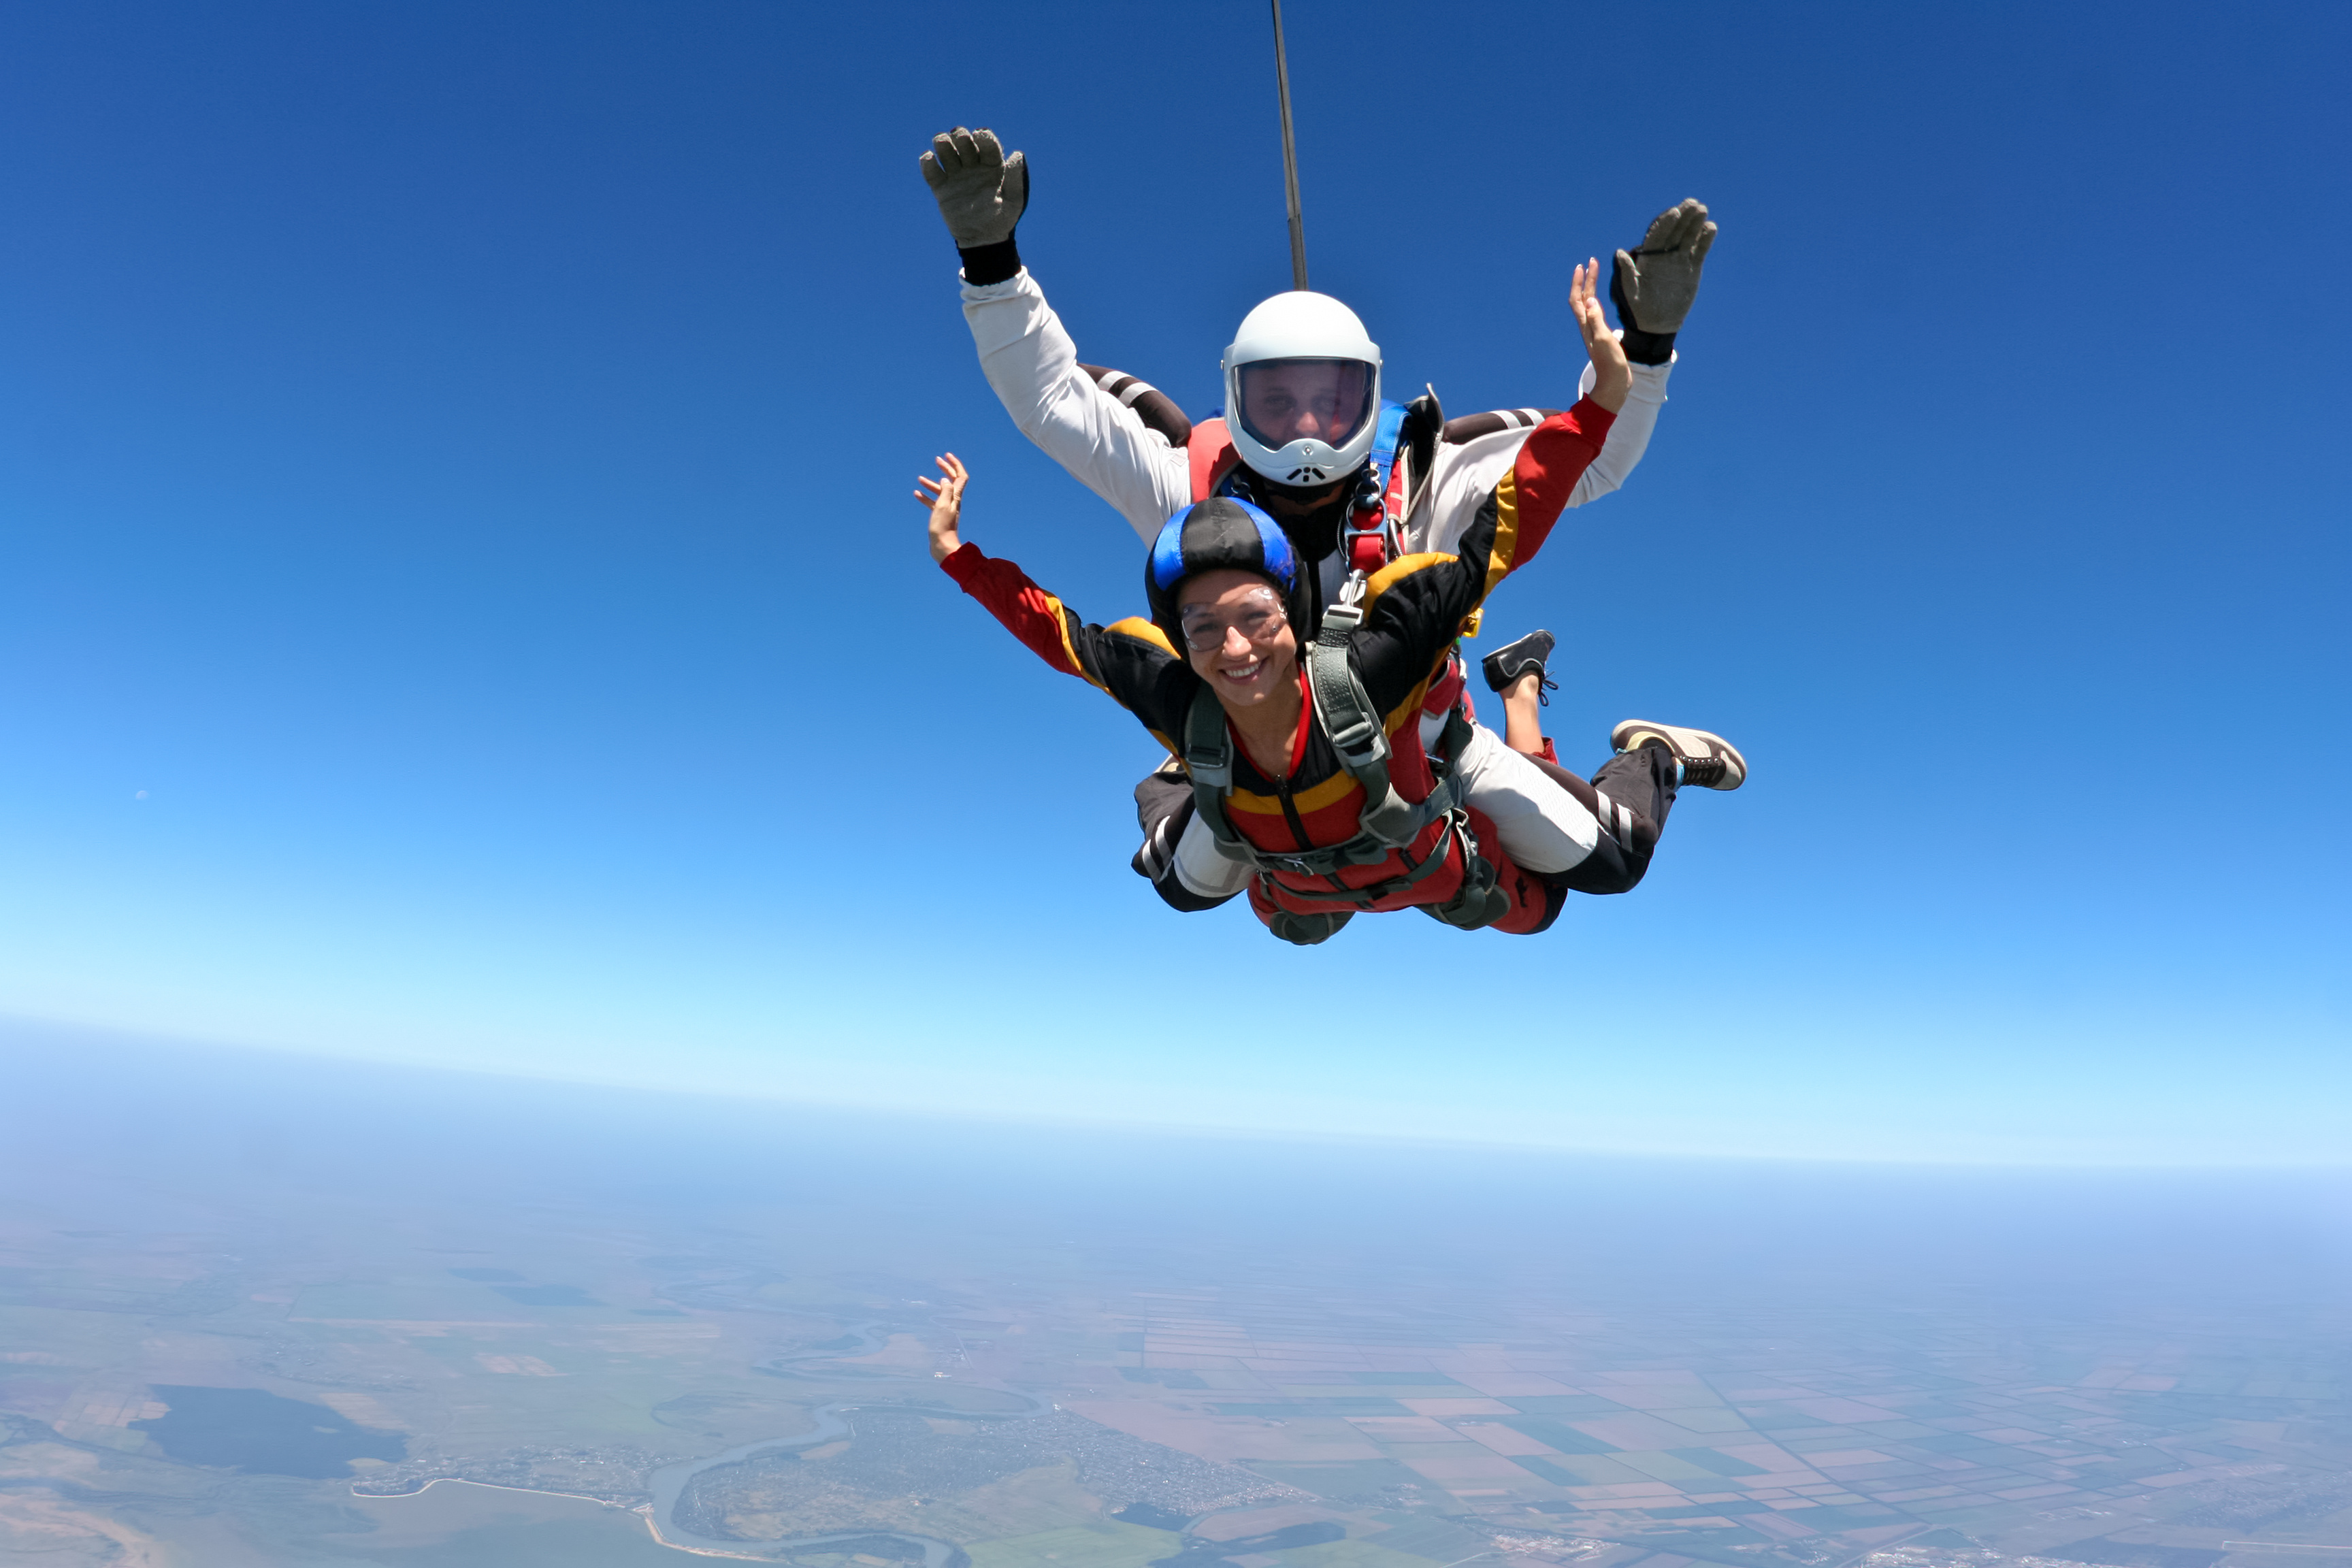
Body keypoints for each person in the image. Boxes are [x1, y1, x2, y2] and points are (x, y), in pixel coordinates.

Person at [918, 126, 1728, 914]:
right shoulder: (1192, 486)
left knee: (1608, 861)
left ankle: (1650, 753)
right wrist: (992, 266)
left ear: (1368, 397)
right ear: (1236, 402)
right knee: (1184, 886)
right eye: (1276, 402)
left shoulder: (1421, 478)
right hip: (1242, 748)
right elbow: (1055, 404)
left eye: (1330, 402)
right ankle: (1190, 768)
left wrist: (1646, 349)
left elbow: (1586, 468)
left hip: (1433, 742)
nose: (1306, 428)